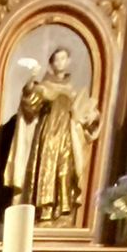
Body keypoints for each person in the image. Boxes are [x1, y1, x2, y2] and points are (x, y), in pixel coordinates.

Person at [17, 47, 100, 225]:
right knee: (46, 168)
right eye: (56, 59)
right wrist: (31, 81)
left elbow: (85, 114)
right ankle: (44, 210)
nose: (60, 63)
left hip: (68, 136)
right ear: (51, 63)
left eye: (63, 59)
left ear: (68, 61)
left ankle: (63, 211)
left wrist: (91, 117)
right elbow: (29, 105)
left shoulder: (73, 91)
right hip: (48, 134)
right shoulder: (44, 87)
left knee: (65, 171)